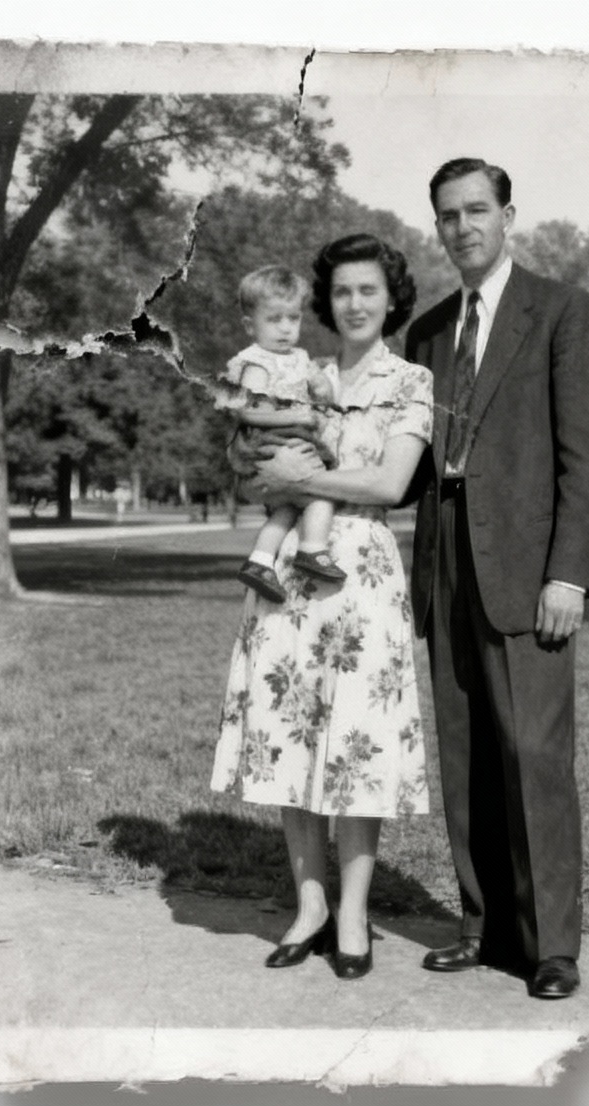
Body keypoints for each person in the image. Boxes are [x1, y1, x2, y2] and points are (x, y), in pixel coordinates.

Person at [405, 159, 589, 1000]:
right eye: (449, 216)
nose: (464, 227)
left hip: (529, 568)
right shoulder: (424, 333)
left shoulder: (562, 311)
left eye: (478, 211)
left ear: (508, 217)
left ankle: (551, 945)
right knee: (464, 750)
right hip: (445, 552)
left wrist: (569, 574)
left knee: (532, 750)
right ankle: (482, 925)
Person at [210, 233, 436, 980]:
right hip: (286, 576)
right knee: (289, 738)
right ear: (323, 301)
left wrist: (294, 478)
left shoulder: (410, 381)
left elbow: (388, 486)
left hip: (359, 572)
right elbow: (246, 464)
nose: (355, 303)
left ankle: (352, 912)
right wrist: (265, 471)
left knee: (356, 746)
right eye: (341, 292)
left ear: (391, 296)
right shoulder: (296, 371)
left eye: (368, 289)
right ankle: (307, 905)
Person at [211, 265, 348, 601]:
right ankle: (312, 550)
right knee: (321, 492)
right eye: (274, 319)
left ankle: (259, 559)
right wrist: (295, 414)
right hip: (266, 443)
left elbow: (326, 395)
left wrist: (323, 385)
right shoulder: (257, 362)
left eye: (293, 318)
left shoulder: (299, 357)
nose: (286, 328)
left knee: (288, 505)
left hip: (292, 441)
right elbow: (247, 410)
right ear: (250, 325)